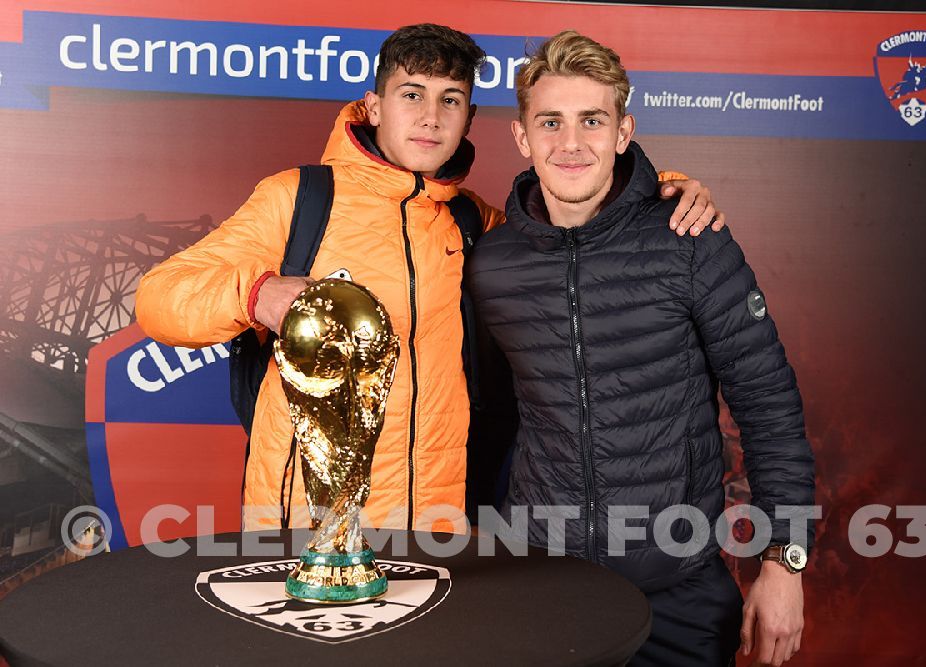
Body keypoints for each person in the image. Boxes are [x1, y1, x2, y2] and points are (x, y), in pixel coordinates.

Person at [135, 24, 724, 534]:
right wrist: (258, 294)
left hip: (438, 528)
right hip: (300, 523)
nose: (429, 116)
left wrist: (660, 189)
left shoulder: (471, 219)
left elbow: (571, 219)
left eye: (451, 100)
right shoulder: (299, 198)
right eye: (411, 94)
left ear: (469, 117)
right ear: (373, 106)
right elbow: (159, 300)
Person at [468, 31, 815, 667]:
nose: (571, 144)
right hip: (540, 591)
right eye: (551, 121)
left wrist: (783, 561)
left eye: (592, 120)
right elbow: (486, 419)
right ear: (522, 137)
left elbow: (768, 406)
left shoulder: (690, 238)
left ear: (623, 131)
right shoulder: (490, 264)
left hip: (675, 596)